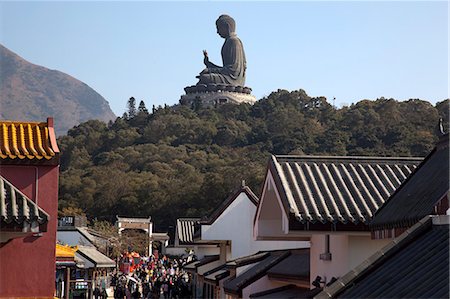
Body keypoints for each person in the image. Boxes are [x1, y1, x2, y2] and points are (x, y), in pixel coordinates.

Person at [197, 15, 246, 86]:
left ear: (227, 26)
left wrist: (211, 70)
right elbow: (225, 69)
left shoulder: (234, 41)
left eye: (219, 28)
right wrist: (208, 64)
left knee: (205, 78)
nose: (217, 32)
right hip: (227, 76)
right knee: (204, 77)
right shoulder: (229, 41)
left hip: (232, 80)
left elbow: (233, 70)